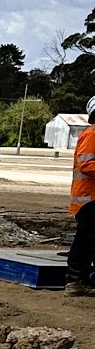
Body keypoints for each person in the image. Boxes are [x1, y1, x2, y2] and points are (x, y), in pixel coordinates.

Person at [67, 96, 95, 295]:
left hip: (90, 200)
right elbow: (86, 165)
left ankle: (78, 281)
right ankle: (77, 281)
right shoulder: (91, 135)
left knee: (84, 242)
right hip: (89, 200)